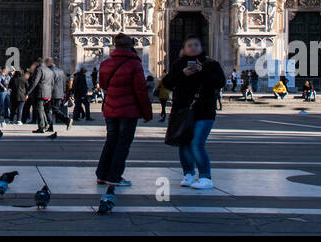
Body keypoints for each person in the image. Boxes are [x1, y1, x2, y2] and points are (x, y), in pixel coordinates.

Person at [161, 36, 226, 189]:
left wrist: (201, 72)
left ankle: (205, 177)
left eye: (196, 44)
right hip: (182, 111)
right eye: (189, 45)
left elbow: (220, 82)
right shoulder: (178, 65)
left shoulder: (211, 64)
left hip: (204, 111)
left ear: (201, 47)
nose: (193, 47)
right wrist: (183, 73)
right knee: (183, 143)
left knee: (197, 143)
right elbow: (167, 83)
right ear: (184, 48)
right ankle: (188, 174)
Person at [95, 34, 152, 188]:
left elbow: (103, 85)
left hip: (110, 109)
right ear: (130, 47)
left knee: (111, 141)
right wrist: (147, 113)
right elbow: (140, 91)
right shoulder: (134, 64)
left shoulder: (106, 63)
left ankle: (102, 174)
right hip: (128, 110)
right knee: (122, 144)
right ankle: (114, 177)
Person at [26, 59, 53, 132]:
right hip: (48, 93)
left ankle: (41, 127)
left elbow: (35, 82)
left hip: (40, 93)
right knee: (42, 109)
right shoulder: (49, 70)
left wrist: (28, 92)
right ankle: (46, 124)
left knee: (39, 110)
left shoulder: (39, 70)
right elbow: (52, 83)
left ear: (37, 63)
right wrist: (51, 93)